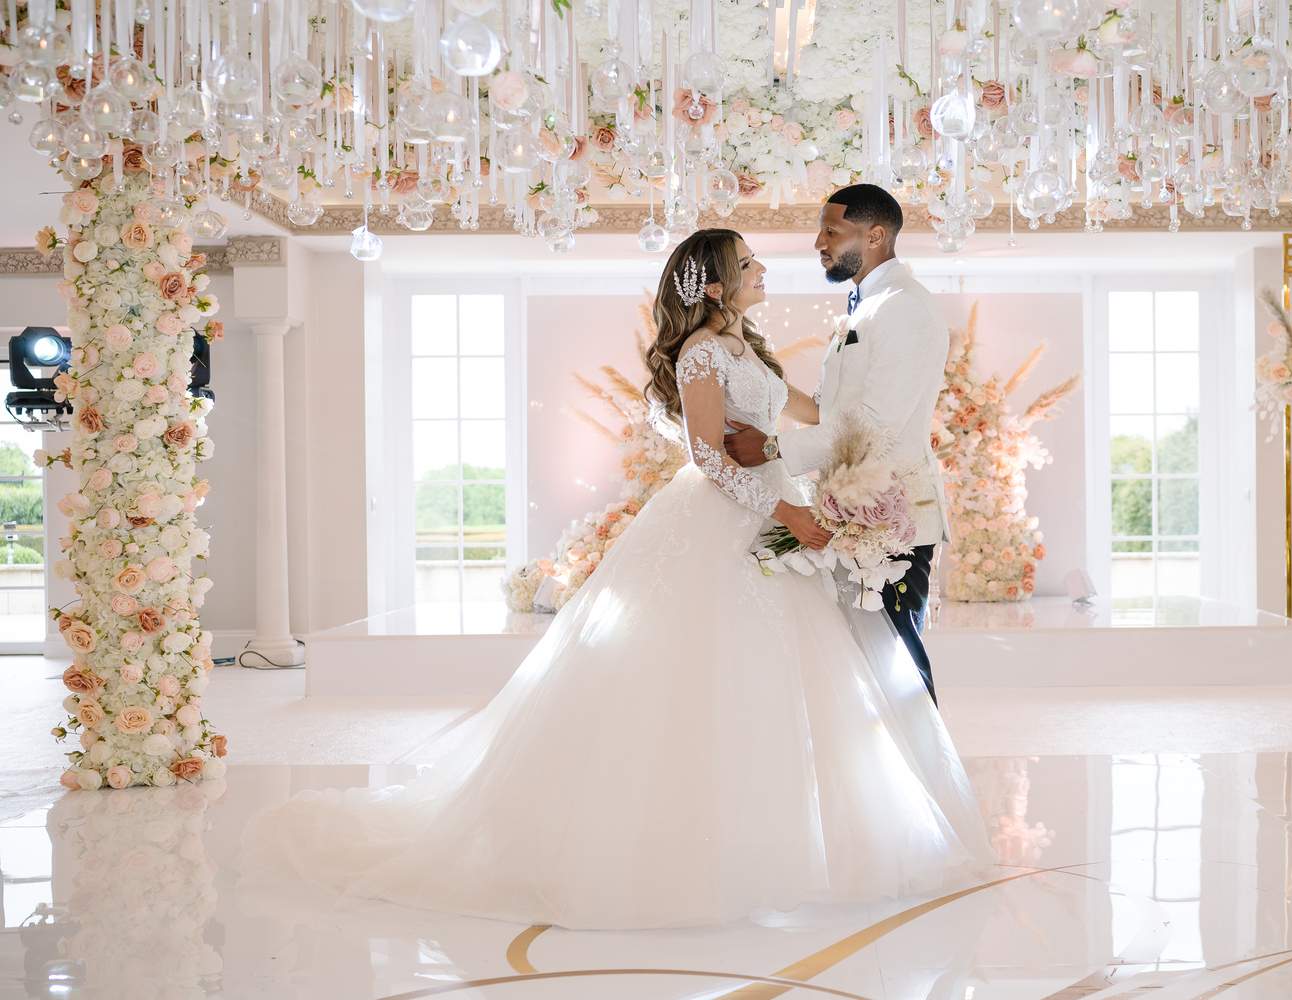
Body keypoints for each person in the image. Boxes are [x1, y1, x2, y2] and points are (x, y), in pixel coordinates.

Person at [242, 228, 991, 931]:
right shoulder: (700, 352)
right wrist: (785, 512)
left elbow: (814, 414)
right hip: (723, 515)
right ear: (720, 287)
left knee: (782, 678)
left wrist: (831, 429)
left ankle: (777, 837)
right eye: (748, 263)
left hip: (769, 512)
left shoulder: (747, 347)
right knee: (687, 677)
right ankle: (677, 850)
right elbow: (707, 458)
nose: (763, 268)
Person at [726, 184, 949, 705]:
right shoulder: (864, 307)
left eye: (831, 231)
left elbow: (877, 425)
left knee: (895, 653)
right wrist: (752, 381)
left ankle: (925, 773)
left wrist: (775, 450)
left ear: (874, 236)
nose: (818, 243)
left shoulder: (904, 309)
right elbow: (833, 410)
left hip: (893, 515)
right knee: (864, 658)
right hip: (850, 510)